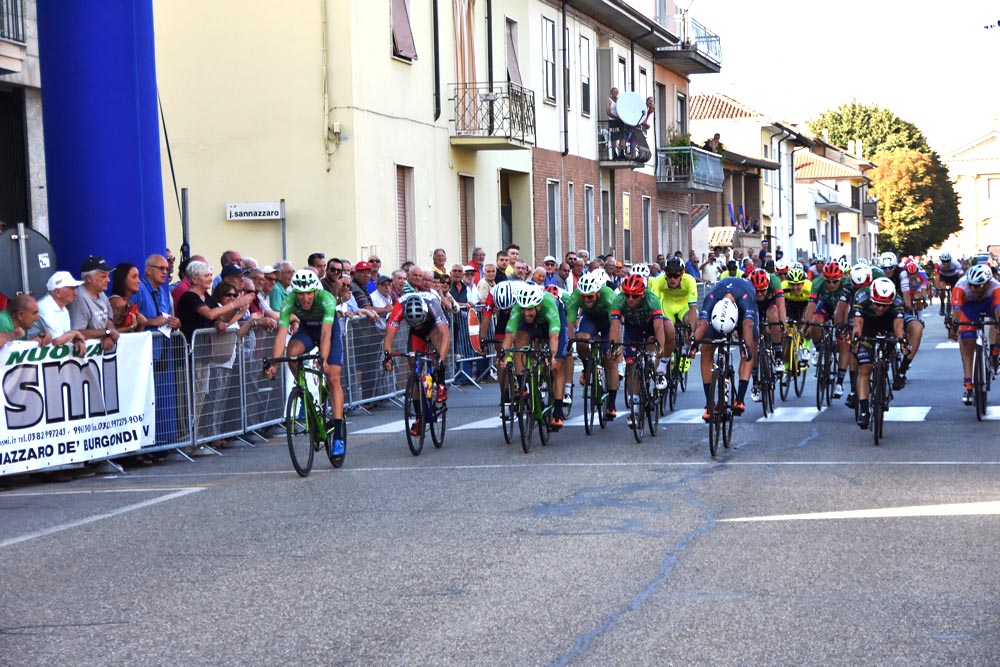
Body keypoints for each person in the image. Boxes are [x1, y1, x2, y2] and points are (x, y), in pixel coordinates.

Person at [265, 269, 346, 456]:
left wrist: (323, 359)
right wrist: (275, 363)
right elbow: (281, 334)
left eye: (309, 293)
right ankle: (305, 394)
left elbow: (326, 334)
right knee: (292, 353)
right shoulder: (288, 301)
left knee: (333, 378)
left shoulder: (327, 299)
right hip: (307, 331)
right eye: (300, 294)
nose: (305, 298)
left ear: (316, 290)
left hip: (329, 333)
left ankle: (338, 436)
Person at [498, 283, 569, 430]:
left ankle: (557, 412)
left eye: (529, 309)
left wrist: (552, 356)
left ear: (538, 306)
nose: (526, 313)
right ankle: (523, 385)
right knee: (519, 343)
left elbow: (554, 336)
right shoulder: (518, 309)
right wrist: (503, 354)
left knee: (557, 366)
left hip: (552, 323)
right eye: (523, 309)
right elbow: (509, 335)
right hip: (532, 325)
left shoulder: (549, 305)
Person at [382, 291, 451, 436]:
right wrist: (388, 358)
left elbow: (445, 335)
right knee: (413, 364)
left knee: (438, 351)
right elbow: (389, 337)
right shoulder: (399, 308)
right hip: (416, 330)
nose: (418, 325)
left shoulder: (433, 305)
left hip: (434, 325)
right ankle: (419, 416)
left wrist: (441, 359)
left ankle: (441, 384)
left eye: (419, 323)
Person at [690, 277, 758, 419]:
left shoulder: (745, 298)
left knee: (749, 348)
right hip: (719, 315)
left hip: (742, 314)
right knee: (706, 348)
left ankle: (740, 399)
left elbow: (748, 325)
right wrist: (694, 345)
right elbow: (702, 323)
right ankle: (709, 403)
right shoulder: (711, 297)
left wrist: (746, 347)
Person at [610, 274, 667, 427]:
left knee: (655, 338)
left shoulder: (652, 300)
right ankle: (634, 409)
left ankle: (654, 368)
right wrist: (615, 346)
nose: (630, 299)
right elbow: (615, 326)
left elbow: (658, 327)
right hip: (632, 328)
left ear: (642, 295)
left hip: (649, 325)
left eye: (634, 296)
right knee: (631, 367)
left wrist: (660, 346)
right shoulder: (619, 300)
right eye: (627, 295)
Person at [850, 278, 906, 428]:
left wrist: (902, 342)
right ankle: (863, 410)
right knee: (865, 368)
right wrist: (856, 341)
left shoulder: (897, 301)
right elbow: (858, 324)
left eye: (885, 305)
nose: (880, 308)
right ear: (870, 298)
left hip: (887, 324)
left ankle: (884, 369)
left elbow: (898, 327)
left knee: (892, 341)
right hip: (867, 324)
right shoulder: (861, 296)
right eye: (877, 304)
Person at [565, 272, 620, 420]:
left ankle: (611, 404)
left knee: (610, 359)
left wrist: (614, 344)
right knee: (581, 340)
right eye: (583, 297)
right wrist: (570, 342)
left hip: (608, 321)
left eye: (590, 296)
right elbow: (570, 323)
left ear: (598, 293)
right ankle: (587, 367)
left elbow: (615, 325)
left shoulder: (608, 295)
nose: (586, 300)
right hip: (590, 319)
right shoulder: (576, 296)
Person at [947, 264, 1000, 405]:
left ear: (987, 283)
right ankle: (968, 386)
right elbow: (956, 310)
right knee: (967, 343)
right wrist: (954, 327)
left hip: (988, 303)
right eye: (970, 285)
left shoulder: (995, 286)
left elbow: (998, 308)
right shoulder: (961, 285)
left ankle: (995, 354)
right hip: (968, 307)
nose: (972, 288)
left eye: (977, 286)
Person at [802, 261, 851, 398]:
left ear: (841, 278)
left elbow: (847, 309)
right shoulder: (817, 283)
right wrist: (807, 324)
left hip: (842, 308)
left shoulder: (847, 283)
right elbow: (811, 306)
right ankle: (819, 350)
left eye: (835, 281)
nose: (831, 284)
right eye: (828, 281)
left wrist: (845, 327)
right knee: (815, 323)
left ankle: (839, 383)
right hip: (825, 306)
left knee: (844, 343)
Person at [648, 257, 695, 374]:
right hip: (667, 306)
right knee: (667, 329)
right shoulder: (659, 281)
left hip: (684, 306)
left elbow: (693, 308)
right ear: (665, 274)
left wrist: (692, 330)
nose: (672, 279)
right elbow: (654, 305)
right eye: (669, 275)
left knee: (691, 323)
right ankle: (661, 368)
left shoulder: (689, 280)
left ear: (682, 273)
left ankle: (685, 350)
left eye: (676, 275)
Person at [747, 268, 787, 401]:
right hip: (754, 307)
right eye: (756, 291)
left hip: (771, 304)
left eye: (762, 291)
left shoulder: (775, 282)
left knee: (774, 314)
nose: (759, 294)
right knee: (753, 339)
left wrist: (783, 325)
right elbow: (743, 310)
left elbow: (781, 306)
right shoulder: (747, 285)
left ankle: (778, 355)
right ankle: (755, 383)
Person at [68, 256, 121, 352]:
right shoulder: (79, 298)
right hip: (85, 355)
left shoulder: (101, 293)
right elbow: (76, 332)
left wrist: (109, 335)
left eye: (108, 276)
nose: (108, 280)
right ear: (89, 278)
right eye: (103, 276)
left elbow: (108, 319)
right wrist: (107, 332)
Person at [36, 271, 88, 352]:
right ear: (58, 292)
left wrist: (77, 340)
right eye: (71, 288)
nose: (75, 293)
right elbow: (57, 340)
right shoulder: (44, 307)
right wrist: (75, 333)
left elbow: (66, 337)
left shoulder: (63, 309)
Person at [110, 262, 147, 333]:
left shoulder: (129, 303)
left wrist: (141, 324)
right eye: (134, 277)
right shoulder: (118, 303)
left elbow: (135, 335)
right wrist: (131, 327)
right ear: (123, 279)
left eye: (138, 277)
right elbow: (110, 333)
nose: (139, 281)